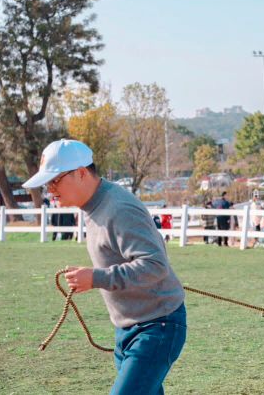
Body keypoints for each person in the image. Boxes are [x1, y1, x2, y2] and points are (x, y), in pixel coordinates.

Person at [22, 139, 186, 393]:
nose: (49, 190)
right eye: (47, 183)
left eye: (54, 181)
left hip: (156, 326)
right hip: (129, 327)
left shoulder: (119, 209)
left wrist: (96, 278)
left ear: (81, 173)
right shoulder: (93, 205)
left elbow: (155, 265)